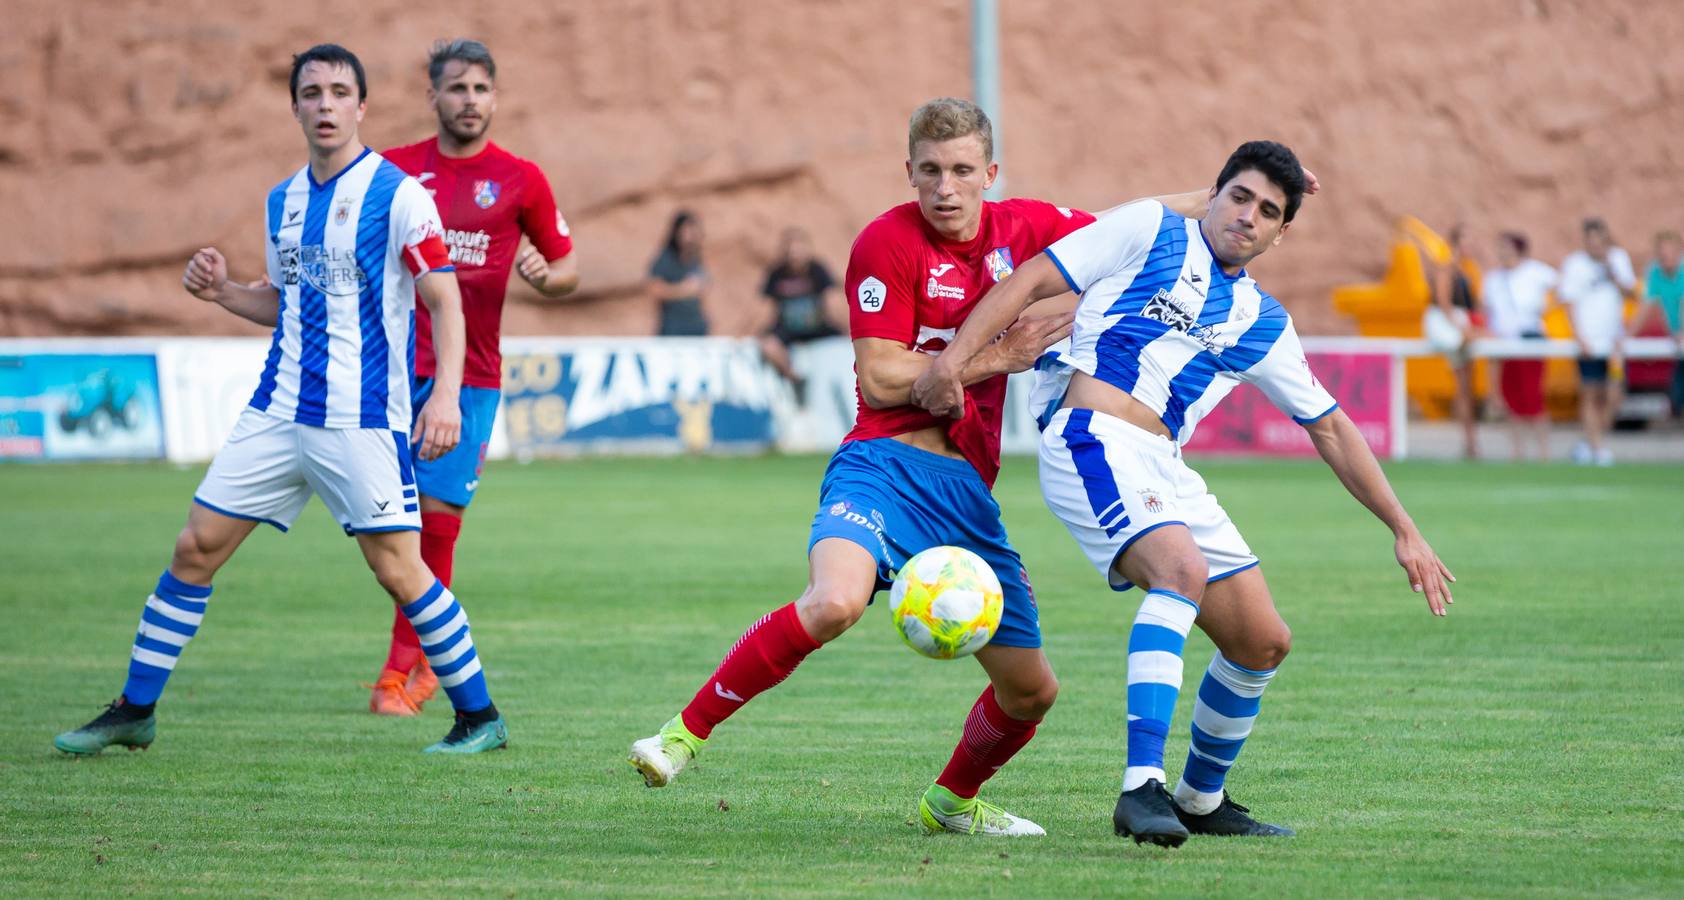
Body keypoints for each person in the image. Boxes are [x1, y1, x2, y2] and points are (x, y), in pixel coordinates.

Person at [626, 97, 1215, 836]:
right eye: (930, 170)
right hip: (881, 466)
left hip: (966, 495)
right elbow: (879, 377)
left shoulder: (1025, 229)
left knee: (1031, 693)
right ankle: (679, 737)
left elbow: (1137, 219)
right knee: (833, 602)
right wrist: (999, 355)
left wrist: (1221, 199)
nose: (946, 187)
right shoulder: (885, 243)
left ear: (989, 173)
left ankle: (951, 804)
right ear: (909, 171)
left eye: (963, 170)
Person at [913, 141, 1453, 846]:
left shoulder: (1262, 320)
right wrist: (953, 362)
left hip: (1164, 465)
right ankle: (1142, 787)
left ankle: (1202, 798)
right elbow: (1031, 280)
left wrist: (1404, 528)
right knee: (1181, 573)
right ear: (1215, 193)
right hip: (1091, 437)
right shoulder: (1150, 231)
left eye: (1268, 211)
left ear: (1281, 233)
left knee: (1261, 642)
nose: (1248, 217)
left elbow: (1331, 427)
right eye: (1239, 196)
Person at [52, 44, 508, 755]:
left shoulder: (399, 196)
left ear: (362, 106)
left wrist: (444, 395)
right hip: (277, 410)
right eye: (312, 93)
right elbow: (284, 303)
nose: (325, 105)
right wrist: (222, 292)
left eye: (338, 93)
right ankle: (133, 710)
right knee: (195, 546)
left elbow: (444, 301)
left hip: (360, 419)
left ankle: (480, 716)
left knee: (399, 570)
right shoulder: (283, 200)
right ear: (294, 106)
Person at [369, 39, 579, 716]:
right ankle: (418, 660)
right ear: (432, 97)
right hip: (390, 375)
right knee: (383, 529)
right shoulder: (392, 171)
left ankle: (410, 669)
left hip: (473, 378)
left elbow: (567, 262)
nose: (469, 101)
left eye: (480, 89)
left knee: (436, 524)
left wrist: (551, 280)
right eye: (456, 88)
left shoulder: (520, 179)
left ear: (495, 97)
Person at [1558, 218, 1636, 465]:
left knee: (1614, 395)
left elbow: (1632, 293)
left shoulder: (1618, 259)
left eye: (1599, 240)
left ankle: (1588, 441)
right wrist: (1579, 337)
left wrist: (1614, 274)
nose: (1595, 245)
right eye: (1590, 239)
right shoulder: (1575, 264)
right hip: (1589, 340)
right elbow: (1568, 302)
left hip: (1613, 341)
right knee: (1590, 392)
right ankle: (1597, 447)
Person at [1481, 231, 1557, 460]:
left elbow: (1563, 288)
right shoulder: (1493, 279)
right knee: (1511, 399)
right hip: (1505, 344)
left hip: (1529, 340)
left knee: (1532, 398)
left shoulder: (1535, 272)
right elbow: (1486, 310)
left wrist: (1545, 310)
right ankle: (1518, 451)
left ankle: (1543, 451)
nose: (1503, 252)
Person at [759, 227, 843, 397]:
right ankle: (794, 378)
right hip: (787, 329)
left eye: (799, 251)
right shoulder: (776, 274)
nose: (795, 256)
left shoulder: (817, 270)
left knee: (849, 344)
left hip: (817, 326)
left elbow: (832, 300)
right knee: (768, 345)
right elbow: (764, 306)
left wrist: (842, 325)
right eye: (791, 252)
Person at [1423, 225, 1482, 459]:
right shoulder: (1446, 268)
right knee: (1463, 387)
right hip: (1447, 325)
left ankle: (1470, 442)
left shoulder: (1463, 270)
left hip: (1457, 322)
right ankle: (1469, 442)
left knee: (1466, 389)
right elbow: (1443, 302)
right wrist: (1463, 329)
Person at [1630, 230, 1684, 421]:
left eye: (1669, 251)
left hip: (1680, 336)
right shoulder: (1655, 272)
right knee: (1676, 399)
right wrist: (1627, 336)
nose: (1665, 256)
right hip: (1678, 340)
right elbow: (1646, 305)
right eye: (1661, 252)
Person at [649, 211, 709, 336]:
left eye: (694, 232)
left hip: (696, 325)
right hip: (674, 328)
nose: (691, 236)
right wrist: (682, 290)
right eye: (687, 231)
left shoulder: (695, 259)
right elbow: (654, 290)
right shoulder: (666, 258)